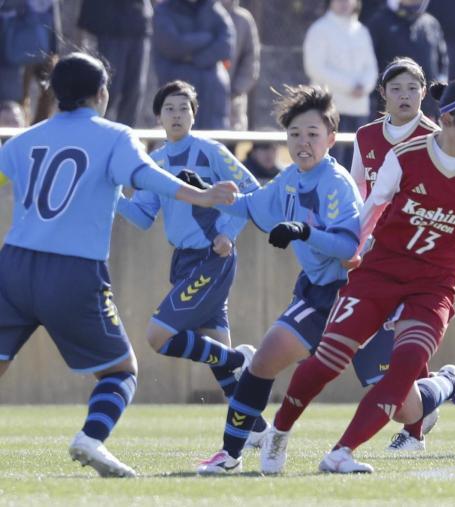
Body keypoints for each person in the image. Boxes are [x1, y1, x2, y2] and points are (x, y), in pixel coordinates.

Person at [0, 53, 235, 478]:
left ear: (55, 94)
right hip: (73, 272)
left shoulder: (23, 139)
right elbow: (148, 176)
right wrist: (202, 196)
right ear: (102, 93)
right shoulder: (115, 136)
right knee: (121, 372)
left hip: (12, 268)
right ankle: (91, 438)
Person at [266, 77, 455, 474]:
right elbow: (372, 209)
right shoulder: (407, 157)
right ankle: (278, 432)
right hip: (380, 272)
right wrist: (352, 253)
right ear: (447, 120)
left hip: (434, 285)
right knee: (327, 361)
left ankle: (342, 452)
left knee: (404, 368)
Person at [195, 84, 362, 475]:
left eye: (312, 134)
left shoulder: (335, 184)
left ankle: (443, 388)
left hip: (350, 294)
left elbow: (347, 248)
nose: (303, 143)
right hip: (316, 294)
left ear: (331, 139)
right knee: (263, 362)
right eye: (295, 134)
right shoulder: (290, 179)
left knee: (404, 399)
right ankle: (231, 455)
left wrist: (304, 233)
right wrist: (205, 192)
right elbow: (253, 205)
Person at [116, 81, 261, 406]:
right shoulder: (153, 161)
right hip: (183, 260)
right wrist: (113, 196)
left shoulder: (211, 151)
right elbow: (142, 217)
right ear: (158, 117)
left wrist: (228, 231)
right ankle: (255, 428)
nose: (177, 114)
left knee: (158, 336)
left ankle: (240, 360)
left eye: (184, 108)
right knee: (218, 356)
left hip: (214, 256)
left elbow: (251, 189)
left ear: (194, 115)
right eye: (169, 108)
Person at [350, 56, 440, 452]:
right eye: (397, 89)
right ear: (383, 94)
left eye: (413, 88)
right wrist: (354, 243)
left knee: (408, 334)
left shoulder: (436, 136)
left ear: (424, 92)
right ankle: (439, 390)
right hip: (373, 254)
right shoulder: (366, 136)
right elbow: (358, 191)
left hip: (420, 254)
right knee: (376, 341)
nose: (405, 96)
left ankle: (415, 432)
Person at [303, 0, 378, 170]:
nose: (344, 3)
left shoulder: (362, 31)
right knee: (331, 167)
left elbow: (371, 68)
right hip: (329, 110)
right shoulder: (320, 29)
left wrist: (364, 86)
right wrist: (350, 86)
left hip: (359, 110)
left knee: (356, 168)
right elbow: (315, 67)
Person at [152, 0, 235, 130]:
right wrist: (206, 37)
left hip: (212, 92)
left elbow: (226, 46)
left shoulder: (215, 10)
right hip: (177, 90)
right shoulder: (164, 11)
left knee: (212, 142)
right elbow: (172, 45)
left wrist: (195, 58)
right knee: (179, 141)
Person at [366, 0, 447, 119]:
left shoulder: (431, 23)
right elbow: (370, 65)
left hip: (427, 109)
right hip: (388, 110)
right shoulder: (379, 22)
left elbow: (442, 64)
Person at [78, 0, 153, 127]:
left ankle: (126, 136)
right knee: (108, 89)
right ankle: (98, 132)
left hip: (138, 25)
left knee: (134, 90)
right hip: (110, 27)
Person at [219, 0, 260, 131]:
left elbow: (251, 59)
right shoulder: (201, 15)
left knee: (230, 146)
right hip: (202, 96)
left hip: (233, 101)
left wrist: (236, 90)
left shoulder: (243, 20)